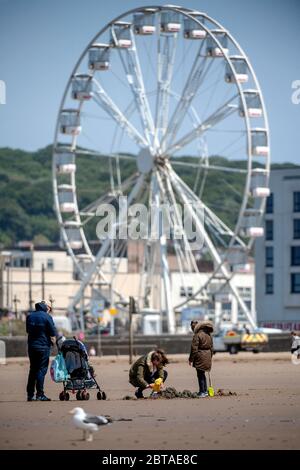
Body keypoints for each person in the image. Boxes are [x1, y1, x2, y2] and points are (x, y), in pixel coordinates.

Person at [26, 300, 57, 401]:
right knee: (41, 369)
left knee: (33, 369)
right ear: (46, 308)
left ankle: (30, 394)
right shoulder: (47, 317)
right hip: (43, 347)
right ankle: (40, 394)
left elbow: (28, 330)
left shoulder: (30, 316)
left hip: (32, 346)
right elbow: (53, 332)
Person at [189, 320, 214, 398]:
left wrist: (191, 359)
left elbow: (194, 349)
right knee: (202, 374)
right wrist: (210, 357)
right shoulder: (208, 334)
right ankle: (205, 391)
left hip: (200, 356)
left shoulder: (197, 335)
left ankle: (202, 391)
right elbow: (212, 348)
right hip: (208, 355)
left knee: (200, 374)